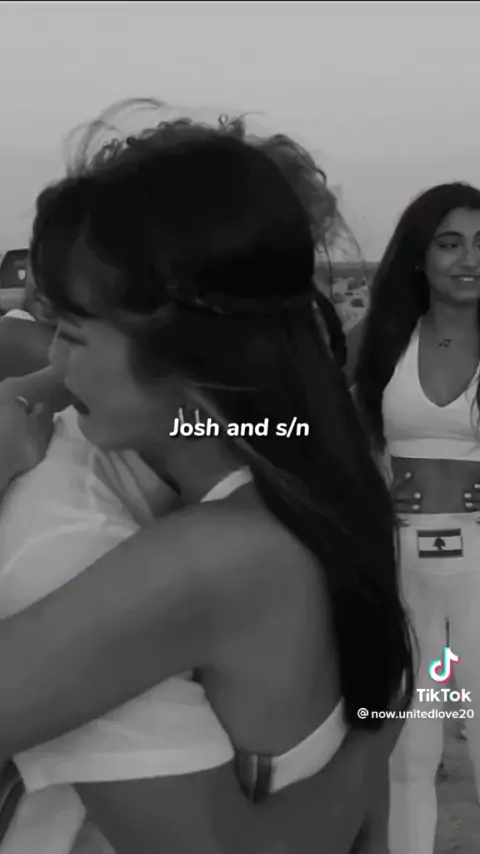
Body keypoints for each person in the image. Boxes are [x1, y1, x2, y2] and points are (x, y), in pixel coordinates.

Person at [0, 107, 412, 853]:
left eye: (73, 333)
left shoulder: (210, 558)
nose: (55, 361)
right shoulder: (311, 483)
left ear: (185, 354)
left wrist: (375, 739)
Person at [354, 181, 480, 854]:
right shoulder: (381, 338)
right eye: (450, 243)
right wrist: (368, 490)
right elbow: (319, 427)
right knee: (409, 746)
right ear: (420, 256)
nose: (470, 259)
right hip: (402, 563)